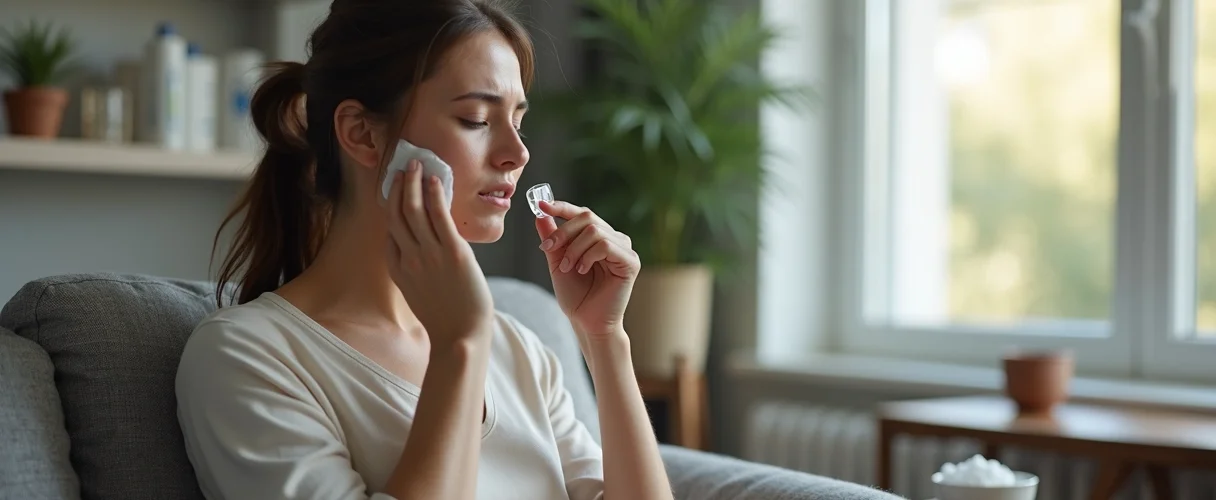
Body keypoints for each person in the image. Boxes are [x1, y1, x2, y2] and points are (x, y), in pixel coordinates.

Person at [172, 1, 674, 499]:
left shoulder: (519, 351)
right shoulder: (248, 357)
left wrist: (605, 339)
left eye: (517, 121)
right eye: (477, 119)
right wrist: (460, 344)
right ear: (360, 133)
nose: (517, 153)